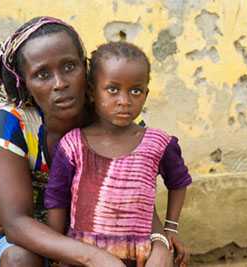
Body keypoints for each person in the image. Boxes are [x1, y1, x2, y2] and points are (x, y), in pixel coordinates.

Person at [0, 16, 188, 267]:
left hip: (103, 233)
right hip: (39, 239)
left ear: (85, 68)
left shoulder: (115, 113)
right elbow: (15, 223)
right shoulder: (16, 122)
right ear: (24, 83)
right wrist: (94, 257)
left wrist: (159, 242)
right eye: (42, 74)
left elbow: (136, 194)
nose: (60, 83)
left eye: (69, 67)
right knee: (20, 259)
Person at [44, 42, 192, 267]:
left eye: (136, 91)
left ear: (146, 94)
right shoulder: (73, 145)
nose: (124, 101)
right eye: (113, 89)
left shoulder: (158, 143)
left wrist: (170, 230)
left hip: (141, 257)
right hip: (84, 257)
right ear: (92, 92)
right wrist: (54, 246)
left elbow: (178, 181)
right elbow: (57, 198)